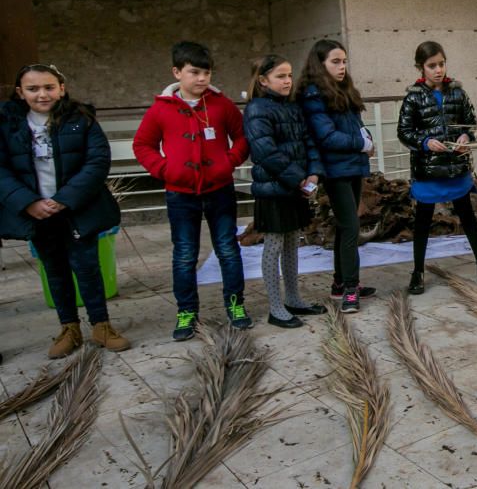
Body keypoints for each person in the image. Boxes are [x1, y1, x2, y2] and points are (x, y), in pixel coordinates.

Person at [0, 65, 130, 357]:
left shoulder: (81, 119)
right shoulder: (7, 125)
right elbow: (2, 170)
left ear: (61, 87)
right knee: (55, 270)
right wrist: (28, 202)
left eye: (48, 87)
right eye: (33, 89)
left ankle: (101, 325)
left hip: (75, 208)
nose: (42, 94)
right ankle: (69, 328)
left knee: (87, 267)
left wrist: (64, 199)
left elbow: (97, 161)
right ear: (20, 92)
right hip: (36, 212)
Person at [133, 41, 252, 341]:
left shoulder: (222, 106)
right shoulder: (161, 110)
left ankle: (236, 304)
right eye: (194, 72)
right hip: (180, 194)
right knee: (185, 255)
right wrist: (165, 170)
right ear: (177, 72)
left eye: (207, 72)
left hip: (220, 189)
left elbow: (241, 138)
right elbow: (142, 145)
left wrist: (228, 162)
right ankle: (187, 311)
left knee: (228, 248)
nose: (201, 79)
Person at [396, 41, 477, 294]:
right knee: (422, 223)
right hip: (428, 173)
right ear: (421, 68)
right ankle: (417, 272)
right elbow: (404, 132)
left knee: (469, 219)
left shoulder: (458, 93)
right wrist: (426, 142)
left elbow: (471, 124)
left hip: (456, 170)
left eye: (441, 64)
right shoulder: (413, 97)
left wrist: (467, 139)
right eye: (432, 66)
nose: (438, 70)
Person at [243, 55, 327, 324]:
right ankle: (275, 307)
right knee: (274, 244)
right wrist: (298, 178)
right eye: (281, 76)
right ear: (263, 80)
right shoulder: (257, 109)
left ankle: (293, 298)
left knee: (293, 242)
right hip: (274, 190)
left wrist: (313, 173)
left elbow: (308, 141)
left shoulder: (292, 107)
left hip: (295, 187)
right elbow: (265, 150)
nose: (288, 81)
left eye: (289, 75)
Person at [298, 40, 377, 311]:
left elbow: (354, 126)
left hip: (352, 165)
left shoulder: (343, 89)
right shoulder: (313, 94)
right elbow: (327, 136)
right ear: (320, 64)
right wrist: (360, 143)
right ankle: (350, 291)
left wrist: (366, 139)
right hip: (334, 170)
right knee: (351, 228)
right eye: (335, 62)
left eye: (344, 61)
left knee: (347, 226)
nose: (342, 67)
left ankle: (340, 283)